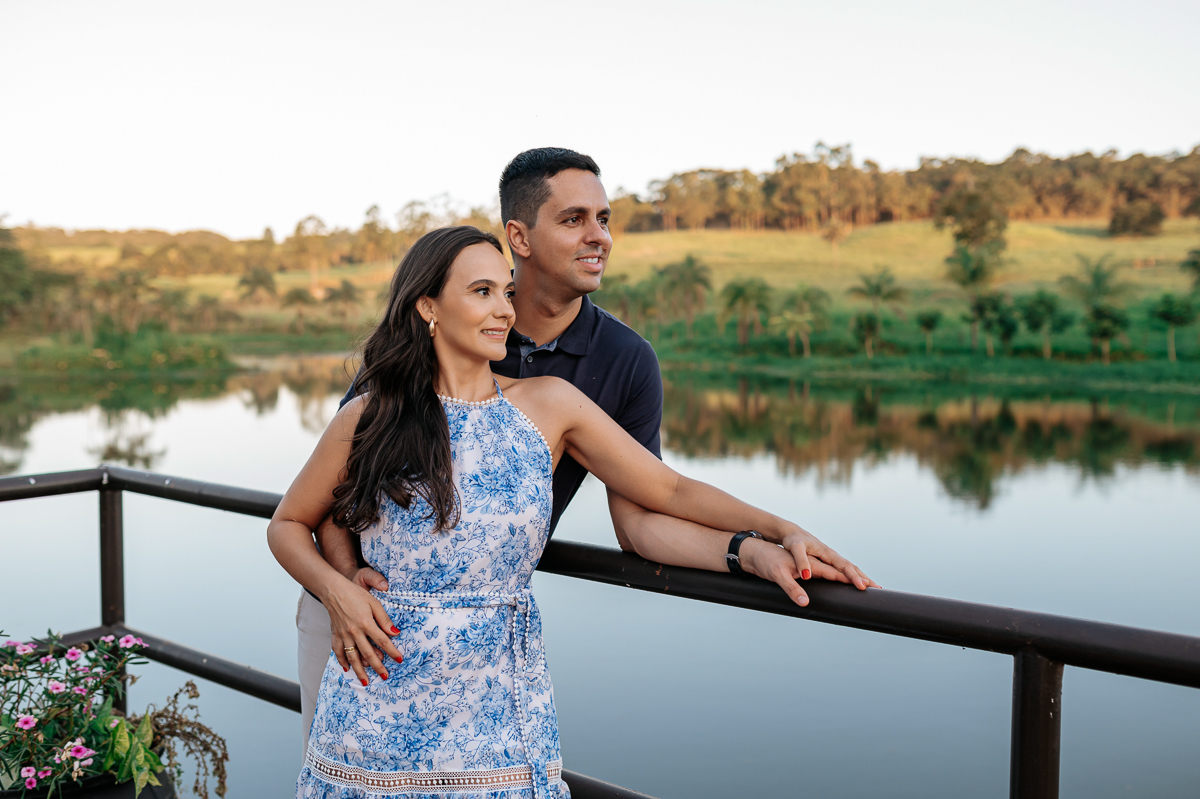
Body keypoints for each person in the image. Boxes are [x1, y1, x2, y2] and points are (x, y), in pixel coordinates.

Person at [292, 148, 877, 754]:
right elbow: (335, 493)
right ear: (519, 236)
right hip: (361, 622)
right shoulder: (440, 335)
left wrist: (755, 546)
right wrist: (344, 586)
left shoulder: (623, 360)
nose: (598, 236)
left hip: (485, 646)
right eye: (574, 219)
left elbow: (648, 512)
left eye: (604, 219)